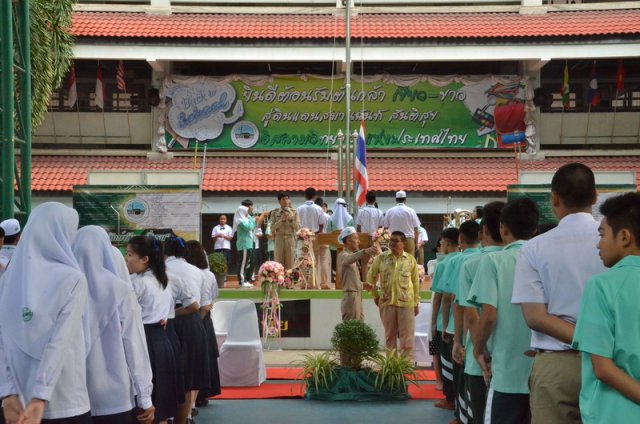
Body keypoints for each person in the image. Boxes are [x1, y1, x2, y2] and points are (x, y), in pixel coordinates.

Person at [512, 162, 605, 424]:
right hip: (611, 359)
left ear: (554, 198)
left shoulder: (534, 248)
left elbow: (536, 318)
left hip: (556, 364)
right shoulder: (615, 242)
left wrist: (585, 339)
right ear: (595, 196)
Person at [0, 202, 91, 424]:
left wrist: (7, 392)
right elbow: (60, 342)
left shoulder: (8, 278)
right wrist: (40, 396)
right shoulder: (73, 278)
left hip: (16, 403)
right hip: (65, 399)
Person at [73, 226, 155, 424]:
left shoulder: (64, 290)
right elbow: (134, 345)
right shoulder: (121, 290)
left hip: (71, 395)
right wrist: (145, 396)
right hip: (114, 395)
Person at [469, 198, 539, 424]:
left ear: (502, 228)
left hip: (501, 367)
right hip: (539, 371)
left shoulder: (489, 261)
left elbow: (479, 314)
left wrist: (475, 348)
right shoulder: (543, 258)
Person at [572, 193, 640, 423]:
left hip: (614, 414)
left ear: (624, 237)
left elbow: (602, 368)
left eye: (602, 234)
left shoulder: (602, 286)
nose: (599, 244)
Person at [458, 201, 505, 424]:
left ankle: (444, 391)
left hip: (471, 343)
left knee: (477, 413)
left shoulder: (465, 263)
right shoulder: (520, 258)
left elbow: (454, 304)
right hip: (504, 353)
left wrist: (458, 340)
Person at [126, 235, 177, 424]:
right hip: (162, 341)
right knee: (160, 407)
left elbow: (125, 318)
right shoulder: (163, 280)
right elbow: (169, 315)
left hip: (143, 340)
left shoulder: (138, 284)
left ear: (145, 259)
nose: (126, 259)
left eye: (130, 254)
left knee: (145, 409)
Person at [164, 237, 210, 424]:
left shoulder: (160, 269)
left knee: (166, 373)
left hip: (167, 322)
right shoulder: (199, 272)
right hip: (193, 323)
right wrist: (194, 323)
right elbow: (204, 306)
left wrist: (172, 315)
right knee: (189, 375)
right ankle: (187, 415)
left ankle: (166, 416)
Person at [440, 220, 481, 424]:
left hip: (451, 326)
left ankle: (454, 405)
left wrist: (438, 324)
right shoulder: (485, 257)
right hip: (465, 328)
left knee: (454, 370)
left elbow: (447, 297)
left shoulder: (453, 262)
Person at [368, 231, 420, 360]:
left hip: (406, 303)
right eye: (391, 240)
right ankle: (391, 367)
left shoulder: (410, 260)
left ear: (403, 243)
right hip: (387, 303)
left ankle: (405, 368)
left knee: (407, 338)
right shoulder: (381, 258)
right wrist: (375, 295)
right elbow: (371, 276)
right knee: (389, 337)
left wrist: (416, 302)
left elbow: (415, 282)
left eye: (396, 240)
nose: (392, 243)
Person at [184, 240, 221, 411]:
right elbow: (212, 297)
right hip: (203, 318)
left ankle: (193, 398)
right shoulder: (209, 274)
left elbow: (204, 304)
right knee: (204, 357)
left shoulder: (189, 274)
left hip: (194, 318)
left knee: (195, 357)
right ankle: (202, 395)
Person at [430, 227, 460, 411]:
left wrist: (434, 323)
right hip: (461, 322)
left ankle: (450, 398)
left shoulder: (443, 264)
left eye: (441, 243)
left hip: (444, 322)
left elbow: (441, 297)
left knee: (446, 361)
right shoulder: (468, 259)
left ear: (447, 242)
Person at [337, 227, 378, 321]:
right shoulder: (343, 255)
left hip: (357, 294)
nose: (359, 241)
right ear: (348, 240)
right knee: (352, 326)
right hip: (351, 295)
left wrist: (362, 284)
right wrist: (364, 251)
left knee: (359, 326)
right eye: (356, 238)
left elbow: (351, 277)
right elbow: (348, 260)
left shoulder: (353, 256)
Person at [233, 200, 268, 288]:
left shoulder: (246, 219)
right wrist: (256, 219)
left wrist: (257, 219)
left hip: (248, 243)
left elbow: (254, 224)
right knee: (242, 263)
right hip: (244, 244)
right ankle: (241, 281)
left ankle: (244, 280)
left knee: (246, 263)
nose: (247, 212)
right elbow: (249, 227)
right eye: (246, 210)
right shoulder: (239, 220)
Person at [297, 188, 327, 289]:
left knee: (303, 260)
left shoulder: (299, 208)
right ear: (314, 196)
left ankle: (303, 283)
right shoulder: (318, 208)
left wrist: (301, 233)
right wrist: (317, 232)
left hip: (303, 238)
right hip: (314, 236)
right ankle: (314, 283)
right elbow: (322, 223)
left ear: (305, 195)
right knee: (314, 260)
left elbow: (297, 224)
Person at [383, 190, 421, 256]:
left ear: (396, 199)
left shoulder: (389, 211)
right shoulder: (411, 211)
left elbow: (385, 228)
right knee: (409, 261)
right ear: (405, 199)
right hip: (408, 240)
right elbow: (416, 228)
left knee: (394, 260)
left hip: (394, 240)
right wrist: (416, 242)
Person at [270, 193, 300, 269]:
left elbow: (298, 228)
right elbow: (272, 228)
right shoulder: (274, 212)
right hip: (279, 239)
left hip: (290, 239)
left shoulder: (294, 212)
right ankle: (279, 280)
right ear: (279, 201)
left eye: (287, 199)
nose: (286, 201)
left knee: (290, 262)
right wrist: (281, 220)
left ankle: (289, 280)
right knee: (278, 262)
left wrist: (291, 220)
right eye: (283, 199)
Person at [316, 197, 333, 289]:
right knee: (324, 262)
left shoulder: (314, 214)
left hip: (315, 238)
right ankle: (324, 283)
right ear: (323, 205)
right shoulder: (327, 216)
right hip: (325, 238)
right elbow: (330, 230)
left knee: (313, 261)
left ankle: (314, 283)